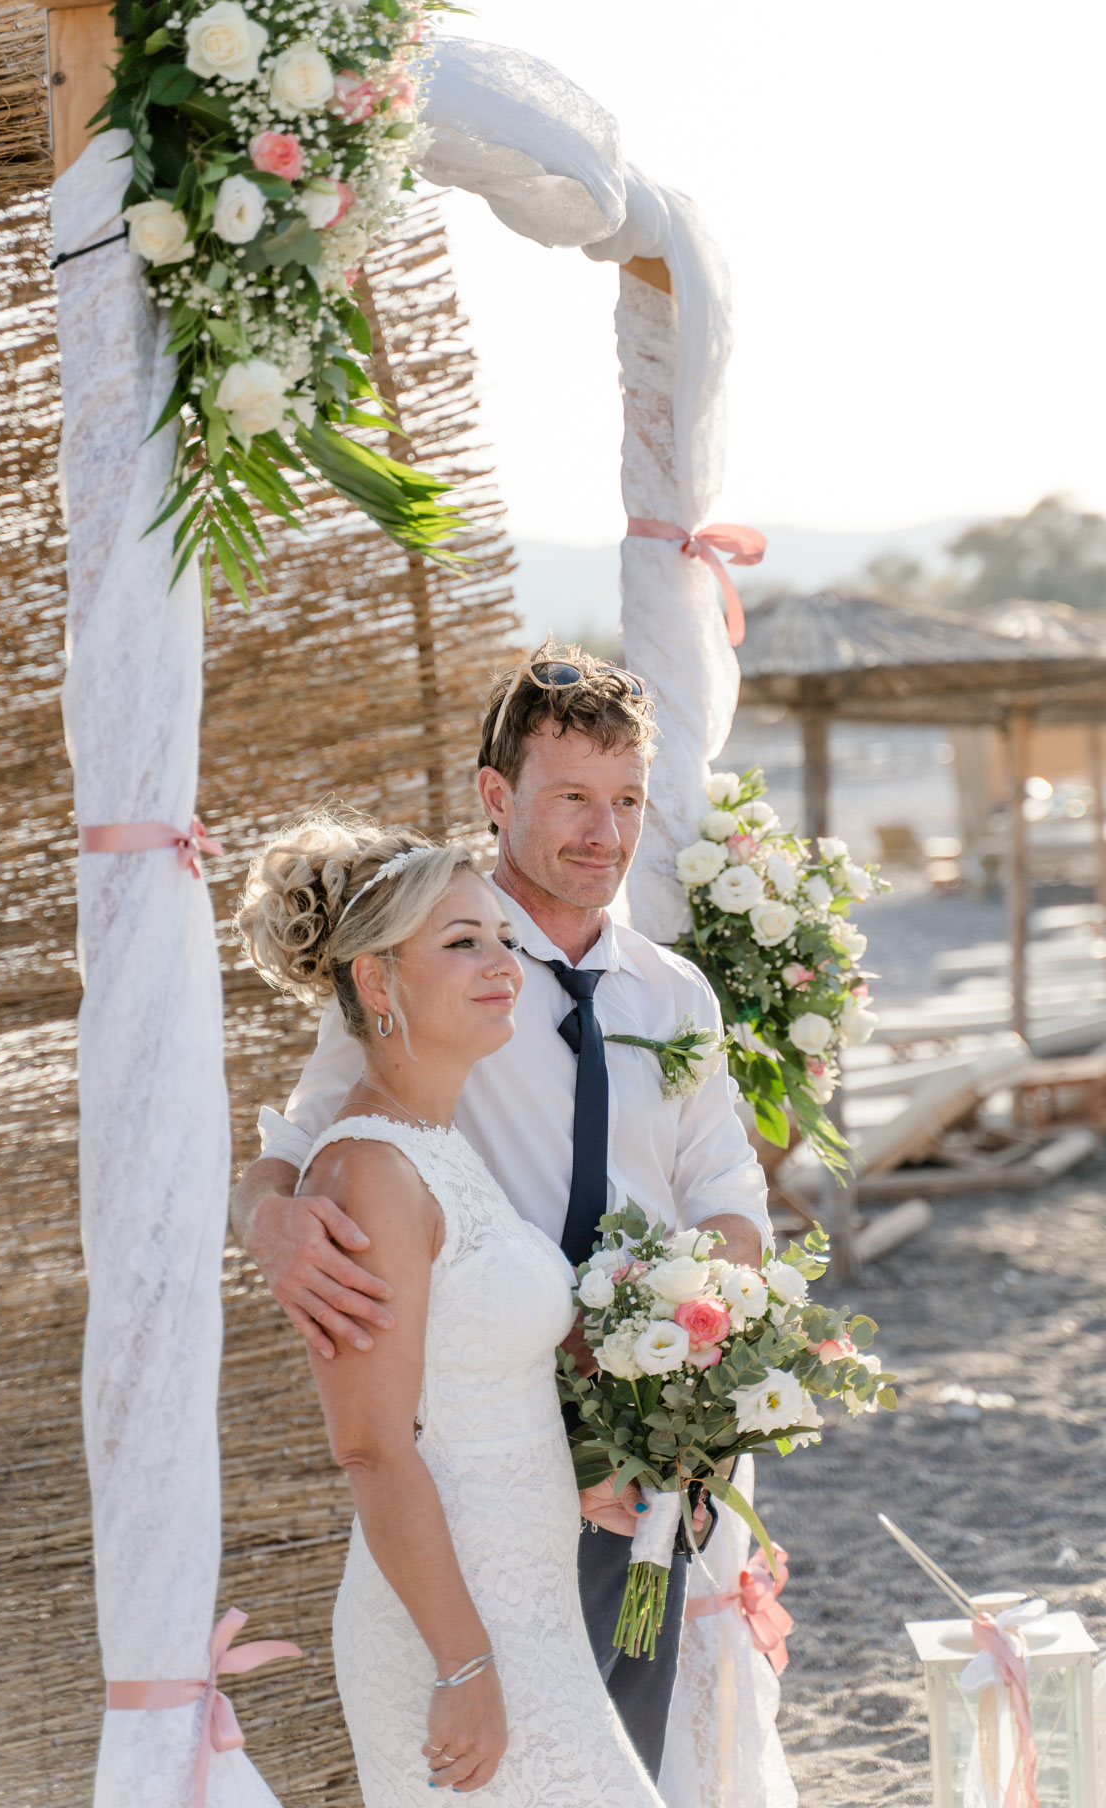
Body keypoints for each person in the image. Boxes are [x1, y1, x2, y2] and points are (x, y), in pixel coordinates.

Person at [232, 648, 774, 1783]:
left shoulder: (674, 996)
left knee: (622, 1748)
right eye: (569, 796)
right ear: (496, 797)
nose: (603, 833)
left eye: (625, 801)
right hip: (485, 1446)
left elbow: (725, 1192)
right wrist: (269, 1221)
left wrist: (681, 1349)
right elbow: (306, 1150)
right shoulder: (430, 969)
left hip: (638, 1460)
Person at [234, 814, 663, 1804]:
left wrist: (577, 1477)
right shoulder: (367, 1173)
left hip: (529, 1607)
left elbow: (472, 1377)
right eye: (462, 943)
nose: (502, 964)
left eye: (503, 940)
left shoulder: (434, 1140)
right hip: (448, 1629)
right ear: (379, 985)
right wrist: (463, 1668)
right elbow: (372, 1446)